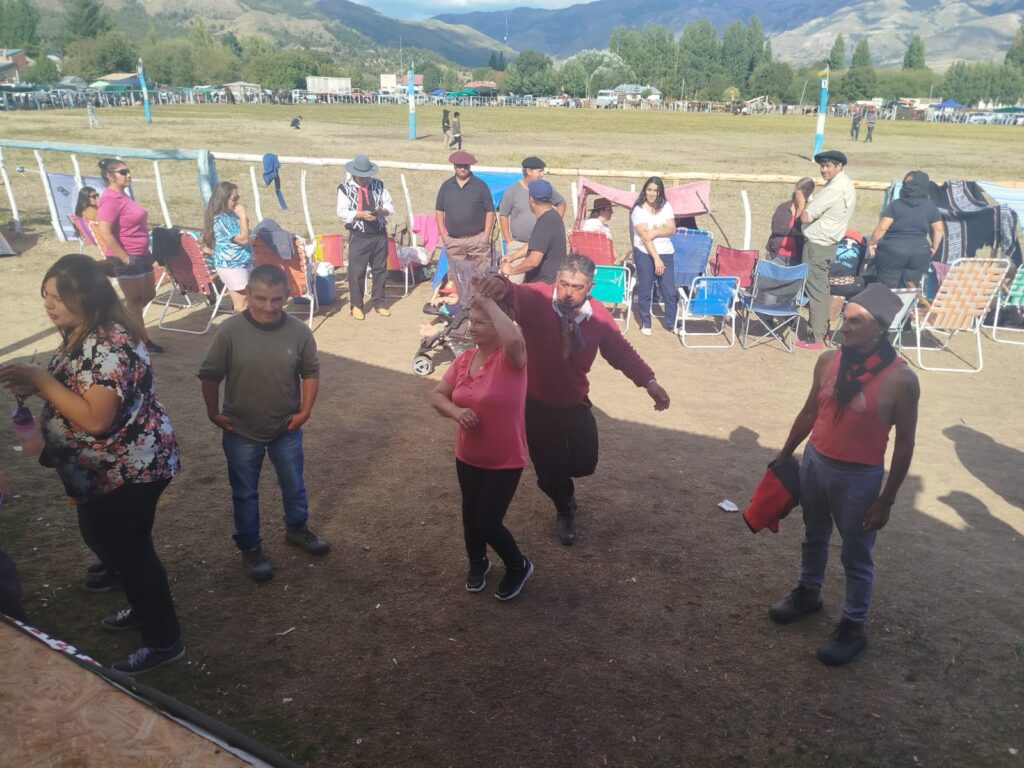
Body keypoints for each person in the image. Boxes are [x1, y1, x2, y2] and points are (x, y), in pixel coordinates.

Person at [0, 254, 183, 675]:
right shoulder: (80, 331)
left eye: (58, 297)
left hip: (130, 468)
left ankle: (164, 641)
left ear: (88, 297)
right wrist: (39, 389)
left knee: (133, 552)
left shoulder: (110, 344)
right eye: (46, 295)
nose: (48, 304)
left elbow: (96, 419)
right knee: (105, 539)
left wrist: (41, 381)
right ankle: (142, 607)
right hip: (100, 472)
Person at [768, 283, 919, 667]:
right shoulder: (828, 361)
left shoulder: (902, 380)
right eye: (844, 317)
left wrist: (886, 499)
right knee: (814, 535)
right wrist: (785, 454)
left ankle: (854, 625)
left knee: (856, 554)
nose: (844, 325)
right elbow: (809, 412)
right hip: (816, 462)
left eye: (855, 321)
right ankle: (809, 592)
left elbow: (904, 444)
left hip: (859, 478)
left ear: (880, 328)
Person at [477, 254, 670, 545]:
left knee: (585, 463)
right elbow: (512, 291)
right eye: (564, 284)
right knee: (550, 473)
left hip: (575, 401)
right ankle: (564, 505)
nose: (569, 292)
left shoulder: (597, 316)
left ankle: (556, 479)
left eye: (577, 287)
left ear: (590, 287)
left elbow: (620, 351)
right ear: (556, 280)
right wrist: (498, 284)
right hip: (536, 405)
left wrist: (649, 382)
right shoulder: (537, 298)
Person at [198, 264, 330, 582]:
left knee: (293, 484)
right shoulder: (230, 330)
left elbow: (310, 372)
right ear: (248, 294)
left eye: (276, 299)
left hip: (286, 426)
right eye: (260, 298)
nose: (269, 307)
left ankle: (296, 529)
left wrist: (305, 411)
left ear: (287, 296)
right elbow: (210, 374)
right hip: (241, 429)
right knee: (245, 492)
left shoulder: (299, 331)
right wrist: (213, 412)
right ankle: (250, 547)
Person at [430, 294, 534, 600]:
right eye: (471, 321)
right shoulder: (463, 359)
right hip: (468, 454)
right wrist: (456, 411)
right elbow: (437, 396)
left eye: (482, 323)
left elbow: (513, 338)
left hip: (505, 458)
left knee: (487, 521)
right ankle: (477, 562)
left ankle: (518, 565)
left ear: (500, 325)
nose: (472, 327)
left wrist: (488, 301)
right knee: (470, 513)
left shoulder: (512, 360)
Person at [94, 158, 162, 354]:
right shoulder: (109, 199)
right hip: (127, 256)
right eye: (123, 172)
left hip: (141, 253)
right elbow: (105, 232)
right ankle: (143, 342)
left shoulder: (123, 195)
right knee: (135, 301)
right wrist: (124, 257)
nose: (128, 175)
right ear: (110, 176)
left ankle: (120, 319)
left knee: (148, 295)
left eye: (128, 171)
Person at [795, 150, 857, 350]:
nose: (824, 170)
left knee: (816, 291)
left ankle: (816, 336)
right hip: (827, 243)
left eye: (828, 166)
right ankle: (822, 330)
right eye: (822, 166)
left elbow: (805, 216)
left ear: (839, 166)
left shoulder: (834, 189)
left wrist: (802, 202)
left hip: (818, 245)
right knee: (821, 288)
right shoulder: (844, 183)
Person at [336, 153, 394, 320]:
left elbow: (389, 205)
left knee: (380, 269)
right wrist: (359, 214)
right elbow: (341, 212)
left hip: (378, 233)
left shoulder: (378, 185)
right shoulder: (344, 188)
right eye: (361, 176)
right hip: (359, 235)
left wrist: (382, 211)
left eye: (366, 176)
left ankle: (379, 302)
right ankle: (356, 305)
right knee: (356, 272)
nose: (364, 179)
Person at [868, 171, 944, 289]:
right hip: (920, 252)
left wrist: (871, 243)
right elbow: (939, 229)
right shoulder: (930, 206)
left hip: (892, 252)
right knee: (909, 289)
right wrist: (934, 247)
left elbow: (882, 228)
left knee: (886, 290)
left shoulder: (895, 205)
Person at [498, 156, 567, 282]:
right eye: (539, 171)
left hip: (543, 284)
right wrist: (513, 256)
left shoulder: (544, 224)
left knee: (513, 289)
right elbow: (534, 244)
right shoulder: (550, 218)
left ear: (531, 200)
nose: (542, 174)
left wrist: (512, 270)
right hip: (519, 245)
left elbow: (533, 261)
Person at [630, 176, 678, 337]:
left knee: (670, 290)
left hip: (666, 251)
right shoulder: (638, 210)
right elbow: (645, 237)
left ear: (659, 192)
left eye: (655, 191)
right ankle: (646, 322)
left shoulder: (666, 206)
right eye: (649, 190)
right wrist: (657, 259)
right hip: (645, 252)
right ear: (645, 190)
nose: (651, 193)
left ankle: (671, 323)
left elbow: (672, 229)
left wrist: (656, 231)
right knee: (645, 287)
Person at [435, 151, 495, 268]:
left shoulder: (480, 185)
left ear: (470, 166)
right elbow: (439, 210)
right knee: (457, 276)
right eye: (459, 166)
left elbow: (490, 211)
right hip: (454, 241)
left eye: (465, 166)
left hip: (477, 240)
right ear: (454, 166)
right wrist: (443, 234)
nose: (463, 169)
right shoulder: (446, 186)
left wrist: (486, 235)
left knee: (481, 275)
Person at [202, 181, 253, 313]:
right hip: (232, 266)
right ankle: (240, 325)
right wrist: (243, 217)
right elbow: (243, 239)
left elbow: (246, 234)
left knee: (247, 302)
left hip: (241, 264)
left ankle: (243, 325)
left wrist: (244, 222)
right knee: (242, 305)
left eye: (238, 198)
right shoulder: (221, 219)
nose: (237, 203)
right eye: (234, 199)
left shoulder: (230, 215)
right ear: (223, 199)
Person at [765, 178, 815, 266]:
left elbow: (803, 232)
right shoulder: (783, 208)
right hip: (776, 254)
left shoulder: (809, 212)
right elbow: (777, 229)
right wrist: (795, 231)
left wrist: (800, 209)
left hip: (797, 257)